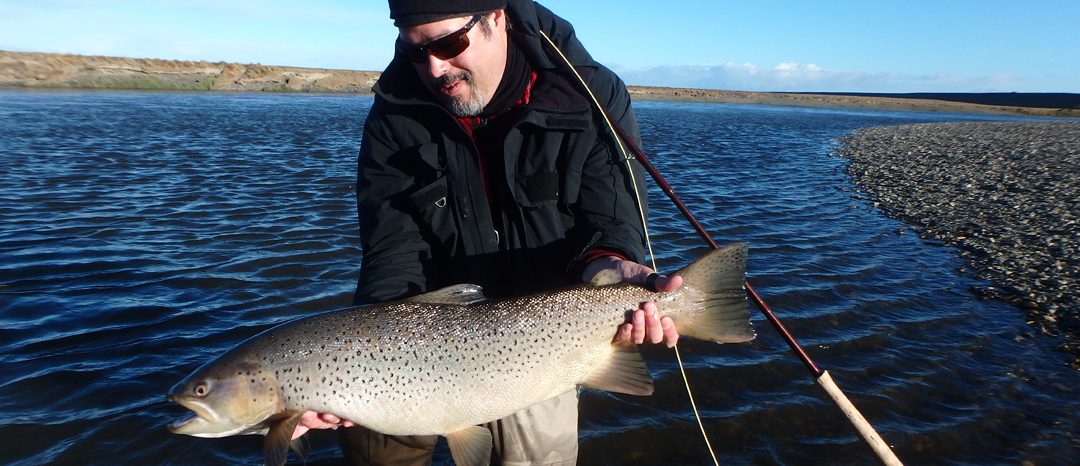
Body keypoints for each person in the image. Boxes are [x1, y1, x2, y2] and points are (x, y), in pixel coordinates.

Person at [294, 1, 681, 464]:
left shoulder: (590, 93)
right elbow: (392, 248)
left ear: (497, 18)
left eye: (449, 43)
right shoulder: (393, 113)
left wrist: (611, 264)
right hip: (425, 325)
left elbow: (610, 218)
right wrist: (345, 376)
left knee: (535, 455)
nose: (435, 67)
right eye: (414, 50)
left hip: (545, 327)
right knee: (372, 440)